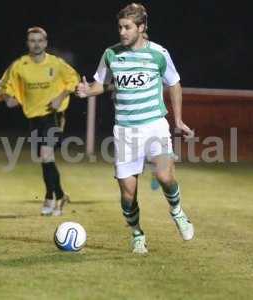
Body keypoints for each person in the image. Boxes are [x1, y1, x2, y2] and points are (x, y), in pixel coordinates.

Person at [76, 3, 194, 253]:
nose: (122, 32)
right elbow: (100, 83)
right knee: (128, 196)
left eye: (127, 27)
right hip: (125, 132)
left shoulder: (159, 54)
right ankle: (137, 234)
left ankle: (177, 211)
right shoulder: (111, 54)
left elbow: (174, 84)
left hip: (154, 126)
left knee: (164, 176)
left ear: (141, 28)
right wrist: (88, 91)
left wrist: (178, 120)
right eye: (119, 27)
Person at [0, 26, 80, 216]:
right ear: (28, 43)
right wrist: (8, 98)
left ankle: (52, 198)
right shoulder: (19, 65)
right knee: (45, 159)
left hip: (53, 115)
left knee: (45, 154)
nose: (36, 44)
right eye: (32, 40)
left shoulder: (56, 64)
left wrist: (61, 96)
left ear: (45, 43)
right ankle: (56, 195)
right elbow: (5, 86)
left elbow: (74, 79)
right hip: (33, 117)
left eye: (40, 40)